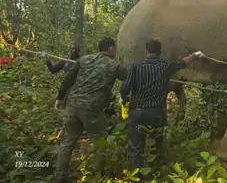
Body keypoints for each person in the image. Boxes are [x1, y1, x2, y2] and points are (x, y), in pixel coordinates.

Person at [120, 40, 203, 177]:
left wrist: (124, 98)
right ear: (160, 52)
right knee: (156, 145)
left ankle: (139, 177)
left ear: (146, 52)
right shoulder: (165, 65)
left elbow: (126, 87)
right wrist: (195, 55)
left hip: (137, 112)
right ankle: (156, 175)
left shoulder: (136, 65)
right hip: (156, 112)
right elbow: (182, 63)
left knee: (136, 148)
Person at [54, 37, 127, 183]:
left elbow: (68, 78)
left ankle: (59, 176)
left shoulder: (83, 60)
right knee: (99, 141)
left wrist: (60, 98)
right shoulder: (114, 66)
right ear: (111, 49)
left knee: (68, 141)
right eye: (116, 47)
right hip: (92, 109)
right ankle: (97, 175)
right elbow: (130, 78)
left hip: (72, 105)